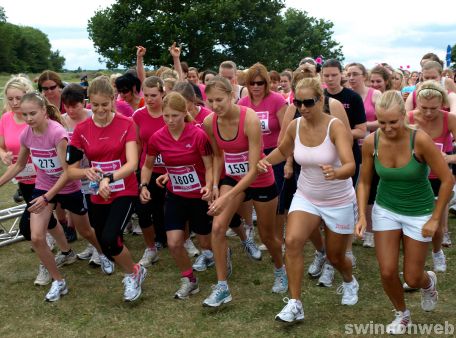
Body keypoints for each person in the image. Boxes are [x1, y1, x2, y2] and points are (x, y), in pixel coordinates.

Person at [258, 77, 359, 323]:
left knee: (335, 257)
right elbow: (283, 150)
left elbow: (350, 165)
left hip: (338, 199)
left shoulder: (335, 126)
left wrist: (337, 172)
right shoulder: (295, 125)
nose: (303, 107)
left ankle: (349, 280)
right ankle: (295, 304)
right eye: (298, 102)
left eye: (308, 102)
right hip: (307, 196)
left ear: (320, 100)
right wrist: (263, 161)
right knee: (292, 241)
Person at [355, 90, 453, 334]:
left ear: (404, 116)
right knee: (387, 271)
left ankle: (428, 282)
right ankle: (402, 313)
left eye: (393, 122)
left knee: (412, 277)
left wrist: (435, 219)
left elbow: (448, 180)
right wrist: (361, 216)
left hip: (419, 212)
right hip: (386, 209)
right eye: (382, 122)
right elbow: (365, 181)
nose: (387, 128)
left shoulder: (419, 140)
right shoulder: (372, 141)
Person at [0, 92, 110, 302]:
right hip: (43, 187)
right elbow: (20, 165)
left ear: (44, 111)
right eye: (25, 115)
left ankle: (102, 254)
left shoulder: (57, 133)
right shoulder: (27, 134)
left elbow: (67, 172)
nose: (29, 119)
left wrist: (48, 196)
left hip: (68, 187)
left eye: (33, 113)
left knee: (85, 230)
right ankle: (58, 281)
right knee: (36, 237)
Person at [202, 76, 286, 307]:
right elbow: (219, 156)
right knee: (217, 228)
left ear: (231, 96)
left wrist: (226, 196)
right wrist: (215, 186)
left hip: (258, 177)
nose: (215, 105)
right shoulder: (210, 122)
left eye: (219, 99)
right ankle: (222, 287)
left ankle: (281, 268)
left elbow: (252, 170)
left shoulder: (248, 118)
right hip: (232, 176)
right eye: (210, 101)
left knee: (268, 236)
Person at [67, 76, 147, 302]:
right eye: (95, 104)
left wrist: (108, 178)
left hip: (124, 189)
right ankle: (135, 270)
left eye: (105, 104)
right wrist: (86, 172)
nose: (100, 110)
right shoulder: (82, 129)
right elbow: (70, 170)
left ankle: (133, 274)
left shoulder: (126, 124)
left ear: (113, 100)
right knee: (104, 241)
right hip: (97, 192)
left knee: (111, 237)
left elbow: (132, 164)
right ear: (88, 102)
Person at [0, 76, 74, 286]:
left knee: (30, 229)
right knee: (46, 223)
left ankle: (47, 263)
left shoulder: (46, 124)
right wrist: (3, 154)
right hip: (24, 181)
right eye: (11, 98)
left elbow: (59, 156)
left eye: (19, 98)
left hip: (44, 181)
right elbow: (11, 154)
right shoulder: (6, 119)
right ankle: (66, 252)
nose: (15, 103)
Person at [140, 91, 213, 299]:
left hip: (199, 196)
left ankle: (221, 255)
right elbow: (147, 165)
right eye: (166, 116)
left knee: (205, 242)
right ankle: (189, 279)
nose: (170, 120)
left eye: (175, 116)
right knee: (173, 242)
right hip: (175, 196)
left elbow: (209, 166)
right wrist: (143, 185)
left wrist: (209, 186)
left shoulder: (198, 135)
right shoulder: (157, 137)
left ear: (185, 113)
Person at [406, 80, 456, 271]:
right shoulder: (408, 118)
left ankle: (437, 252)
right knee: (411, 222)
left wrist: (448, 158)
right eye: (423, 107)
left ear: (442, 103)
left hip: (438, 179)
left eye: (433, 108)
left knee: (437, 223)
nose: (427, 113)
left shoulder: (449, 119)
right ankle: (413, 260)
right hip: (413, 178)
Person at [238, 63, 288, 252]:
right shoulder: (242, 103)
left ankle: (277, 237)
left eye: (260, 83)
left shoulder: (277, 100)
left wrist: (284, 156)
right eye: (252, 83)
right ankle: (255, 230)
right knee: (250, 195)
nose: (256, 87)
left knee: (276, 198)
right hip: (250, 155)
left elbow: (286, 130)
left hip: (274, 153)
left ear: (266, 83)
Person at [132, 76, 167, 266]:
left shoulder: (170, 113)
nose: (150, 99)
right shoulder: (138, 115)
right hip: (147, 167)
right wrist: (135, 167)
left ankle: (174, 238)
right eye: (146, 95)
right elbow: (137, 142)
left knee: (167, 207)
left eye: (154, 95)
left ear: (163, 93)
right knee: (145, 207)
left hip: (170, 168)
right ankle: (151, 246)